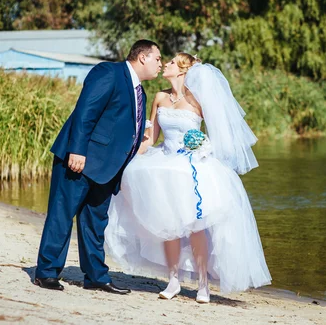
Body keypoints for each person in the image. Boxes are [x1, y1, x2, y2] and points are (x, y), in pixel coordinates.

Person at [105, 53, 271, 304]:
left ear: (182, 70)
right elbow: (150, 138)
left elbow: (221, 133)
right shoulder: (160, 98)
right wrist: (128, 160)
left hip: (193, 167)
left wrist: (205, 146)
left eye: (170, 63)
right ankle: (173, 281)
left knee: (196, 228)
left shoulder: (198, 101)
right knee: (168, 226)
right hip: (165, 165)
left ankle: (203, 283)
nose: (165, 65)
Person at [34, 40, 162, 293]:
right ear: (143, 57)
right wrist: (77, 150)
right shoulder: (109, 73)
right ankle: (46, 272)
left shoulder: (140, 90)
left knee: (95, 222)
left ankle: (96, 277)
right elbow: (86, 111)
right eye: (158, 58)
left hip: (107, 168)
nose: (160, 63)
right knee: (62, 215)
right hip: (80, 159)